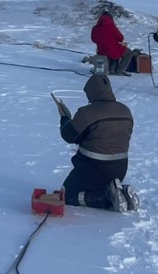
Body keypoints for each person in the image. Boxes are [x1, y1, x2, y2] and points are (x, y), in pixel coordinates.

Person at [56, 73, 139, 212]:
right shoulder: (125, 111)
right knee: (95, 184)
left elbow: (69, 136)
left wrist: (65, 119)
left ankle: (106, 197)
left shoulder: (87, 113)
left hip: (92, 168)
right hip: (120, 167)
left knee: (68, 195)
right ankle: (122, 193)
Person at [91, 11, 136, 76]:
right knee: (129, 53)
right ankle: (120, 70)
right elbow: (121, 38)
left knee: (113, 50)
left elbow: (94, 40)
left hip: (101, 51)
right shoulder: (111, 26)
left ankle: (110, 69)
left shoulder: (95, 28)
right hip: (112, 51)